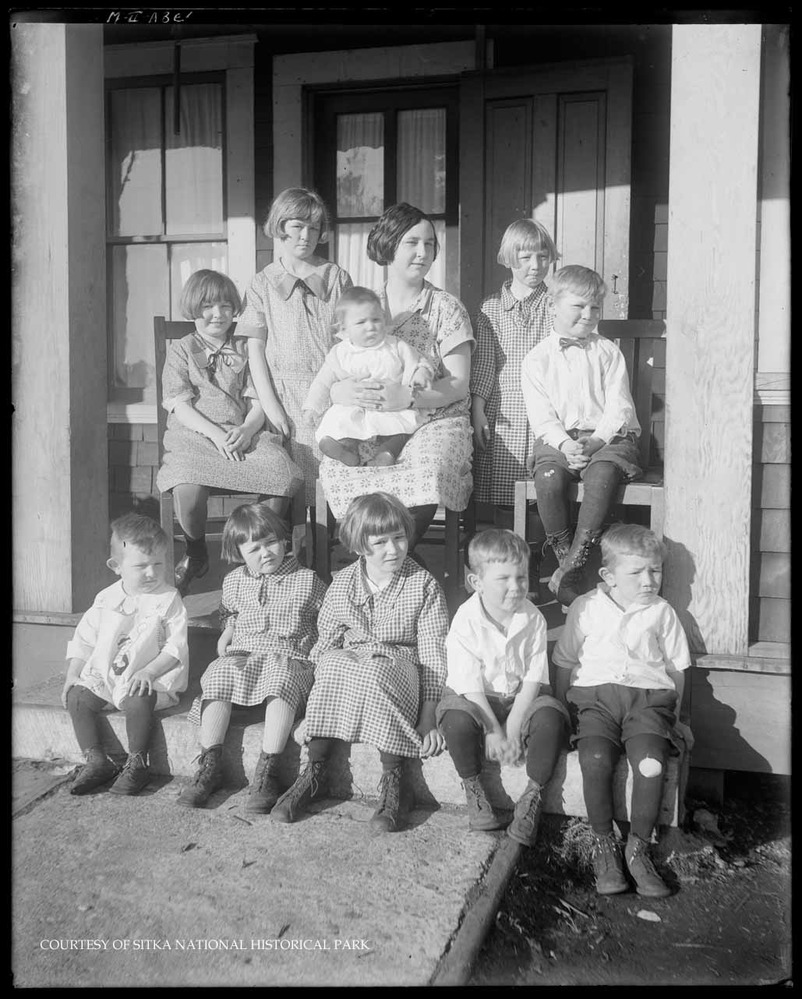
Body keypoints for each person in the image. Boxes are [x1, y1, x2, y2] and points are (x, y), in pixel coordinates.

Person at [271, 492, 449, 833]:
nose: (393, 549)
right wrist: (310, 711)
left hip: (400, 669)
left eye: (399, 538)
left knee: (376, 667)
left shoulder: (423, 585)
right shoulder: (342, 587)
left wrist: (429, 717)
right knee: (334, 662)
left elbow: (433, 655)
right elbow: (324, 644)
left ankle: (396, 780)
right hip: (353, 667)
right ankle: (316, 771)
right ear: (358, 546)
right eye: (380, 542)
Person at [317, 203, 474, 552]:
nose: (423, 252)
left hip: (435, 419)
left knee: (423, 468)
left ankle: (387, 562)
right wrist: (341, 390)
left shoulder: (446, 308)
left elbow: (459, 384)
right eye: (412, 242)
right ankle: (374, 561)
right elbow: (338, 363)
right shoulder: (362, 305)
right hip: (369, 420)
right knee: (341, 465)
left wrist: (409, 398)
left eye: (430, 244)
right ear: (389, 245)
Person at [553, 524, 692, 898]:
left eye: (656, 571)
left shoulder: (661, 613)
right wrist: (565, 708)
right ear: (608, 576)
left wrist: (677, 718)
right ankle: (603, 846)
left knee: (651, 763)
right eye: (636, 573)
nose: (649, 581)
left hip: (648, 701)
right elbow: (565, 660)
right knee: (596, 759)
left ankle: (639, 848)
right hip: (595, 700)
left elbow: (677, 668)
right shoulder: (586, 608)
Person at [156, 269, 303, 596]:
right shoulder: (180, 349)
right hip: (195, 435)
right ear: (193, 308)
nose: (217, 314)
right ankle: (195, 553)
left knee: (279, 473)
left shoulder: (246, 346)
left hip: (242, 432)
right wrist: (215, 435)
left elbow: (259, 396)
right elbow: (178, 403)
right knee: (188, 486)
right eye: (208, 306)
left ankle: (252, 555)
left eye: (225, 306)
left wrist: (249, 429)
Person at [178, 502, 327, 812]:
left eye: (271, 542)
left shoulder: (308, 580)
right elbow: (228, 612)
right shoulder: (234, 581)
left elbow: (327, 620)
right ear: (239, 553)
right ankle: (209, 764)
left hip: (290, 655)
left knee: (280, 678)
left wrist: (319, 652)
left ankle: (268, 770)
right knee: (218, 673)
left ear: (284, 540)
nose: (266, 553)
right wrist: (228, 629)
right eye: (254, 548)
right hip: (245, 654)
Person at [436, 530, 569, 846]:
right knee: (455, 721)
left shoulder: (533, 618)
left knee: (551, 719)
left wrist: (512, 727)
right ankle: (474, 790)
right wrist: (493, 731)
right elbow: (469, 685)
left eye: (521, 577)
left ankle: (532, 797)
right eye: (504, 579)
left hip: (518, 697)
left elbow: (534, 680)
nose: (516, 587)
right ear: (476, 583)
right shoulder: (465, 620)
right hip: (473, 698)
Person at [520, 265, 642, 605]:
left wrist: (596, 441)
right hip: (559, 439)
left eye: (595, 308)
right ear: (552, 306)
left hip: (609, 439)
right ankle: (564, 558)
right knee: (548, 478)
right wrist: (565, 444)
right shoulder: (537, 360)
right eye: (579, 306)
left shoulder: (607, 352)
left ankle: (574, 564)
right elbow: (541, 417)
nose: (588, 316)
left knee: (603, 473)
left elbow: (619, 409)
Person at [236, 187, 353, 505]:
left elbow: (349, 343)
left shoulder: (336, 278)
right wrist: (271, 406)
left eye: (314, 228)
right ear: (280, 226)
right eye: (298, 226)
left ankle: (321, 546)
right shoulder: (263, 283)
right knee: (281, 481)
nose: (306, 235)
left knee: (328, 477)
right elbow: (255, 350)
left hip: (327, 394)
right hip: (279, 395)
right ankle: (281, 546)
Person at [61, 513, 189, 796]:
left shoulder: (168, 599)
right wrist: (73, 673)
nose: (152, 573)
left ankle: (138, 762)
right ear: (116, 566)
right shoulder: (106, 598)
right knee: (78, 698)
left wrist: (150, 671)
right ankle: (96, 760)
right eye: (141, 566)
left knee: (138, 697)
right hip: (109, 674)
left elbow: (175, 647)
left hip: (150, 675)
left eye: (159, 564)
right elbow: (85, 638)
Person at [471, 220, 559, 597]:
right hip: (504, 410)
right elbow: (485, 364)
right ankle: (510, 563)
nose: (535, 265)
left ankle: (535, 560)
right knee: (507, 488)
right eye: (525, 257)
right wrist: (477, 409)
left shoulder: (556, 304)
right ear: (508, 259)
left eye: (542, 256)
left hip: (546, 409)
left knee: (538, 488)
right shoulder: (491, 308)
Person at [301, 286, 436, 467]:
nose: (370, 327)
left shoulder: (395, 345)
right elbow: (323, 382)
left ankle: (386, 453)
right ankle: (347, 450)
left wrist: (420, 374)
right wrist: (312, 407)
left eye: (376, 320)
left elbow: (418, 361)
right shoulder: (340, 353)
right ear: (344, 328)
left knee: (399, 428)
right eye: (361, 322)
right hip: (355, 406)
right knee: (341, 422)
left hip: (390, 406)